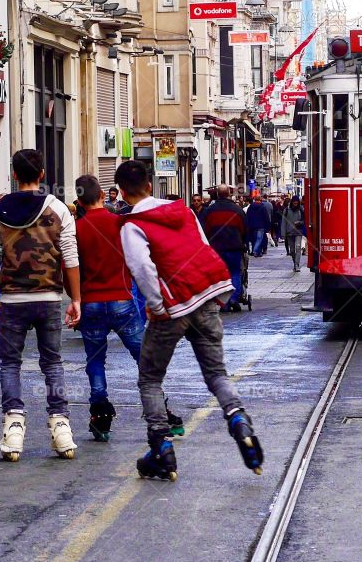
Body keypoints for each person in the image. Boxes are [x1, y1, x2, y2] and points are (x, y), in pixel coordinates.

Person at [114, 160, 263, 480]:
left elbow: (141, 268)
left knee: (150, 378)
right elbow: (203, 248)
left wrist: (156, 304)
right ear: (151, 186)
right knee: (216, 374)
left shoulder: (132, 226)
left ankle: (161, 448)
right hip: (206, 295)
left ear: (123, 193)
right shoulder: (183, 211)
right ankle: (239, 419)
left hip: (173, 306)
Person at [0, 149, 81, 462]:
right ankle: (61, 427)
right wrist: (75, 298)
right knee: (52, 363)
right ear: (41, 174)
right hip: (50, 298)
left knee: (10, 363)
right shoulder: (58, 209)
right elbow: (70, 257)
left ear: (14, 175)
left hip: (12, 299)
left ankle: (13, 429)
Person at [74, 175, 184, 441]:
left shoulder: (76, 229)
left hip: (91, 303)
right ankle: (161, 413)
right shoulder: (121, 224)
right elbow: (140, 260)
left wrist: (75, 301)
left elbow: (71, 268)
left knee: (95, 361)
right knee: (144, 359)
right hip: (122, 300)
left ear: (78, 201)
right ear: (103, 195)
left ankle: (101, 417)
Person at [201, 185, 248, 313]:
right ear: (228, 194)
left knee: (221, 275)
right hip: (234, 247)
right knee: (235, 273)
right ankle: (234, 298)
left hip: (216, 248)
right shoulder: (237, 210)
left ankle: (224, 302)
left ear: (217, 194)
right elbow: (244, 229)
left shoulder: (210, 210)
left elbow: (205, 230)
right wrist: (243, 242)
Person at [282, 196, 305, 272]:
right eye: (294, 201)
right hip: (289, 232)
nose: (296, 203)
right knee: (292, 250)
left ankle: (297, 264)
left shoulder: (301, 209)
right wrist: (283, 233)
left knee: (298, 247)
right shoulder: (287, 210)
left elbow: (305, 220)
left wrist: (300, 222)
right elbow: (283, 222)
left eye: (297, 201)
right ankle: (295, 263)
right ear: (292, 202)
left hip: (298, 231)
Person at [245, 193, 272, 257]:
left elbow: (247, 216)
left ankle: (258, 252)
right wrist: (268, 227)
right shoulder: (263, 207)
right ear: (260, 199)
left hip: (252, 225)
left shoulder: (250, 207)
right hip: (261, 226)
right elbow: (266, 217)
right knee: (259, 239)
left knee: (254, 239)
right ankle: (255, 250)